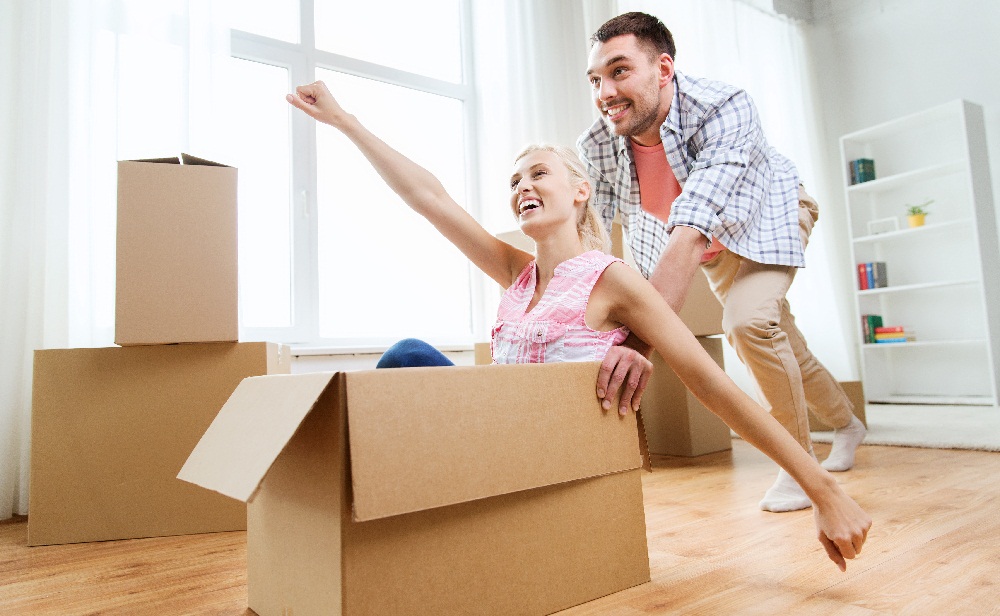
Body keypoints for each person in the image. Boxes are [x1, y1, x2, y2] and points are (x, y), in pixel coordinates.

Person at [286, 80, 871, 571]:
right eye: (514, 183)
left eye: (538, 174)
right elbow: (429, 198)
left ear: (581, 192)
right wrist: (344, 121)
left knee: (410, 356)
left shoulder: (611, 279)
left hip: (551, 458)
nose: (523, 188)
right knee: (405, 360)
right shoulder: (514, 273)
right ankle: (355, 526)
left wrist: (822, 490)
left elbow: (711, 385)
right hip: (496, 436)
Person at [577, 12, 868, 513]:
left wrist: (641, 341)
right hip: (716, 246)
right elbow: (599, 241)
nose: (605, 91)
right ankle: (847, 424)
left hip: (770, 215)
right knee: (782, 345)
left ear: (663, 68)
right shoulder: (598, 145)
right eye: (596, 79)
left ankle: (800, 469)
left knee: (747, 323)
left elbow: (693, 224)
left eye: (619, 71)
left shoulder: (723, 106)